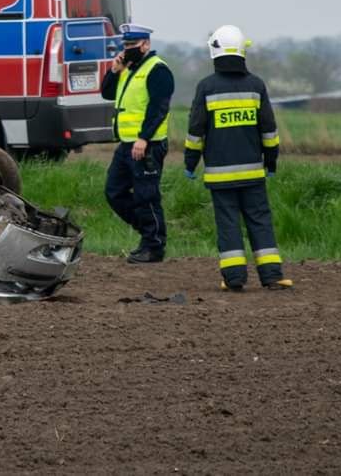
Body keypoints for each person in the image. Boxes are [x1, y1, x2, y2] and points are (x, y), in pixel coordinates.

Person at [184, 25, 293, 291]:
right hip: (253, 174)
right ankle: (272, 276)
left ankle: (234, 279)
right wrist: (271, 162)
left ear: (214, 51)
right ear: (243, 51)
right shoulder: (256, 85)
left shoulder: (206, 87)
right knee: (260, 222)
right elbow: (269, 129)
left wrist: (190, 163)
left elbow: (195, 130)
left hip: (220, 177)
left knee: (228, 224)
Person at [101, 24, 174, 264]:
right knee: (114, 192)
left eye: (133, 45)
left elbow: (158, 108)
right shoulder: (128, 69)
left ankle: (153, 246)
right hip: (126, 144)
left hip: (147, 145)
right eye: (126, 45)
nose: (128, 49)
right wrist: (114, 70)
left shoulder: (158, 70)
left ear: (146, 44)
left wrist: (144, 137)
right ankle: (148, 233)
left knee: (146, 196)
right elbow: (107, 93)